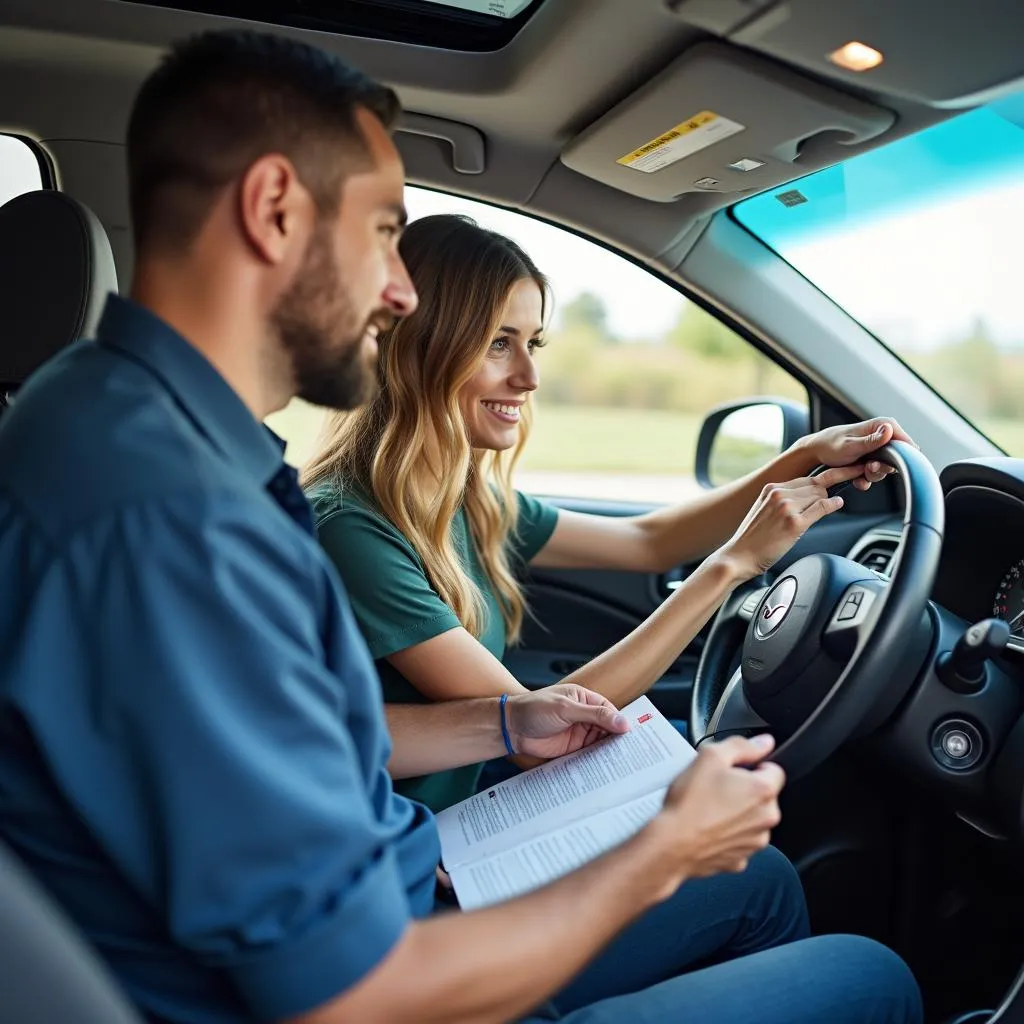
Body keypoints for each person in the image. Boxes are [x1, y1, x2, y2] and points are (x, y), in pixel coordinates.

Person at [0, 28, 922, 1024]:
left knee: (765, 887)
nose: (399, 292)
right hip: (393, 979)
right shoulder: (166, 517)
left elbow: (304, 741)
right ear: (273, 209)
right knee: (873, 977)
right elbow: (350, 996)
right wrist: (663, 851)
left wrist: (502, 722)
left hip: (395, 896)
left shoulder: (142, 433)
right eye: (385, 232)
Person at [302, 211, 912, 812]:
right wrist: (731, 566)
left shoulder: (461, 499)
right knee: (765, 879)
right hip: (415, 848)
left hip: (463, 805)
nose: (529, 376)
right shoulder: (353, 528)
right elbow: (535, 738)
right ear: (419, 349)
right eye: (498, 343)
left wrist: (802, 454)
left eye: (532, 342)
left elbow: (649, 542)